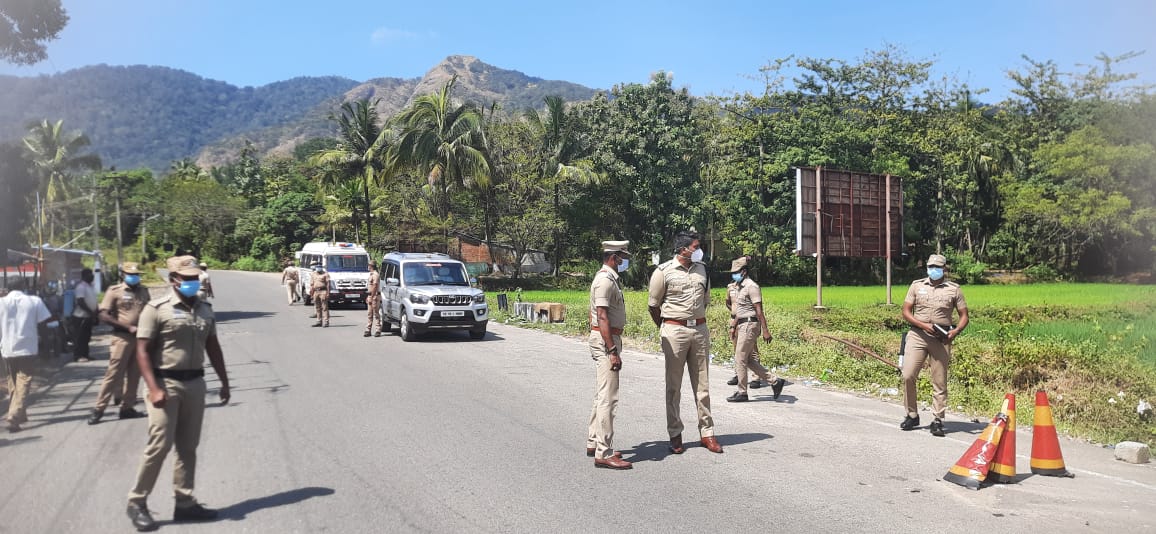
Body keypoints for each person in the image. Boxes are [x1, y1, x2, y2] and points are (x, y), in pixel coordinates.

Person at [125, 255, 229, 531]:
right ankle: (137, 501)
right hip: (165, 385)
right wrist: (153, 388)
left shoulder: (205, 308)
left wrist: (224, 381)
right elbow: (142, 351)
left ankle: (184, 502)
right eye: (188, 279)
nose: (194, 282)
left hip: (196, 384)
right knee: (159, 445)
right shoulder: (156, 309)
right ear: (173, 280)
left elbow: (213, 346)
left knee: (188, 447)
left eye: (196, 278)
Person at [648, 230, 721, 454]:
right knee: (674, 386)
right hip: (674, 330)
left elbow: (705, 301)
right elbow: (653, 305)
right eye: (696, 247)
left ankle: (707, 433)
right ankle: (675, 434)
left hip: (699, 330)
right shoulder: (663, 272)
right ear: (683, 250)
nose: (700, 251)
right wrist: (667, 326)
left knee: (703, 386)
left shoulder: (702, 271)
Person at [900, 253, 969, 437]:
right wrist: (923, 326)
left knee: (939, 380)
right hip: (918, 334)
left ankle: (937, 419)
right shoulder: (917, 285)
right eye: (931, 267)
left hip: (942, 337)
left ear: (944, 269)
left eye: (938, 267)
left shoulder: (954, 289)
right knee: (908, 374)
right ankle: (911, 414)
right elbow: (906, 311)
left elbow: (964, 316)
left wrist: (955, 332)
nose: (934, 270)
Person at [585, 240, 633, 470]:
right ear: (614, 257)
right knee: (609, 398)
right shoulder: (605, 280)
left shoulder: (608, 278)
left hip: (605, 337)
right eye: (623, 257)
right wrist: (612, 349)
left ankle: (594, 441)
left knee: (601, 394)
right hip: (607, 340)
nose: (625, 262)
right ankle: (604, 452)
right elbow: (602, 316)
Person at [88, 262, 150, 424]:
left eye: (137, 274)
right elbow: (104, 315)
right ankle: (99, 409)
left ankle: (127, 407)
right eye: (131, 274)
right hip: (122, 338)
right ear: (123, 274)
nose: (134, 276)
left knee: (135, 375)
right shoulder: (114, 291)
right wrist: (127, 327)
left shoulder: (144, 291)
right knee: (113, 374)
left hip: (140, 338)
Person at [724, 256, 786, 403]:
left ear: (744, 272)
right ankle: (775, 381)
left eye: (737, 272)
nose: (734, 275)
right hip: (741, 324)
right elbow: (739, 310)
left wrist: (765, 330)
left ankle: (742, 392)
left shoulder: (752, 286)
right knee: (749, 360)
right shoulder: (738, 287)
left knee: (740, 358)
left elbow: (759, 311)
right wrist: (733, 326)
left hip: (750, 325)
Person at [1, 276, 56, 432]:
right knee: (24, 380)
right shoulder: (34, 300)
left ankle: (20, 414)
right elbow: (44, 322)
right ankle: (14, 414)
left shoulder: (1, 302)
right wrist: (47, 345)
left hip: (7, 348)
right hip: (27, 347)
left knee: (12, 382)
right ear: (24, 285)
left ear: (7, 288)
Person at [72, 268, 98, 362]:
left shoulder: (90, 286)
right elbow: (80, 302)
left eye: (92, 274)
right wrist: (90, 312)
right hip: (80, 316)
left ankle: (85, 354)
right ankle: (78, 356)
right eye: (89, 274)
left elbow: (94, 300)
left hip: (88, 316)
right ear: (84, 276)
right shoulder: (81, 287)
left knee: (87, 337)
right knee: (79, 337)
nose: (92, 276)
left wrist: (96, 311)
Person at [310, 262, 330, 328]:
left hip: (323, 291)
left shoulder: (325, 274)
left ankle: (326, 321)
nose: (319, 268)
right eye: (317, 267)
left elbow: (328, 284)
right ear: (315, 268)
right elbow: (312, 284)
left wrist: (328, 293)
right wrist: (311, 292)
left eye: (320, 266)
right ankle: (319, 321)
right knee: (317, 307)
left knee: (324, 307)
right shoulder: (313, 274)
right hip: (316, 292)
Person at [364, 261, 381, 337]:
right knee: (369, 314)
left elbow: (375, 286)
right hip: (370, 295)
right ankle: (368, 329)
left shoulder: (375, 275)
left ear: (371, 266)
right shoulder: (371, 274)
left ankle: (378, 330)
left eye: (369, 265)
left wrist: (372, 297)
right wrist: (368, 297)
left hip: (375, 296)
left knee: (376, 313)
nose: (368, 267)